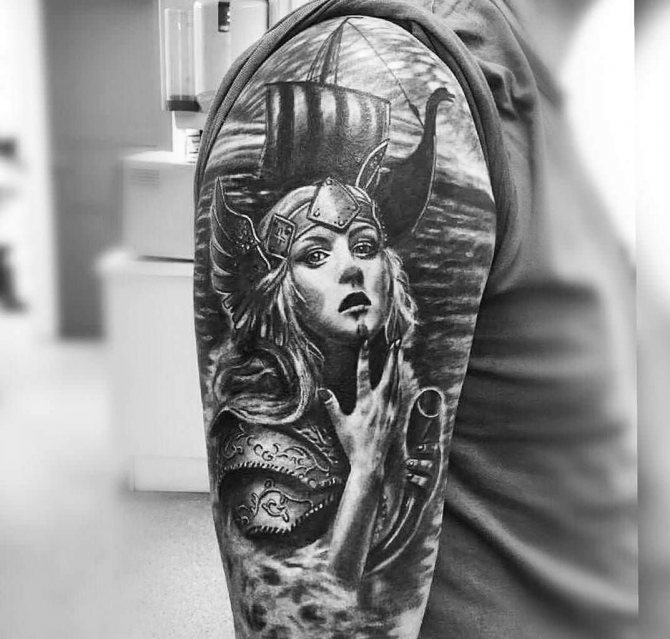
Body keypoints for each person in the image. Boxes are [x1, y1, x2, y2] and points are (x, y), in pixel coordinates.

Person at [194, 1, 637, 638]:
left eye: (365, 245)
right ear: (276, 288)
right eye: (315, 255)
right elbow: (307, 622)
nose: (351, 270)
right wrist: (364, 474)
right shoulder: (388, 62)